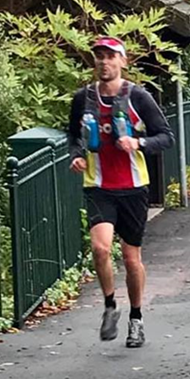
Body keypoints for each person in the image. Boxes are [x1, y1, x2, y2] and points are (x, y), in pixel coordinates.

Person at [68, 37, 175, 347]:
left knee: (131, 259)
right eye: (99, 56)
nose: (104, 62)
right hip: (99, 185)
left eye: (111, 56)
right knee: (100, 249)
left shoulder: (137, 97)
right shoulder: (83, 98)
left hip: (133, 187)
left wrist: (138, 143)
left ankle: (137, 318)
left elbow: (165, 136)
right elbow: (73, 135)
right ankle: (110, 306)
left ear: (123, 62)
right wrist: (76, 155)